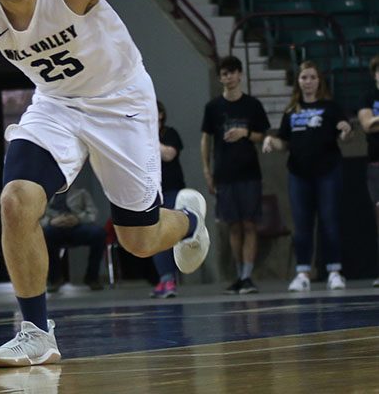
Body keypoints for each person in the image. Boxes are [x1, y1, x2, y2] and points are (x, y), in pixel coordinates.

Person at [0, 0, 317, 368]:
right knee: (15, 200)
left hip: (122, 102)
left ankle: (189, 222)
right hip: (57, 104)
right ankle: (36, 333)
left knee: (139, 241)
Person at [263, 61, 352, 291]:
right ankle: (303, 272)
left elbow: (344, 134)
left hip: (327, 173)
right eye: (304, 78)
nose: (308, 82)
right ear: (298, 81)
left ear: (318, 80)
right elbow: (284, 141)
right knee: (302, 225)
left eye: (312, 77)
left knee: (329, 221)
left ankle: (334, 271)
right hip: (299, 175)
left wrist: (345, 131)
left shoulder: (330, 108)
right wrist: (272, 141)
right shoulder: (292, 110)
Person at [201, 55, 271, 296]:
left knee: (250, 223)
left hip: (249, 172)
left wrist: (245, 133)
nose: (228, 77)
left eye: (232, 72)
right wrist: (207, 171)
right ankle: (239, 274)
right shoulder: (213, 107)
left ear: (240, 75)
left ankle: (247, 275)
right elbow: (205, 139)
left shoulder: (252, 105)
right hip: (225, 174)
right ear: (220, 77)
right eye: (224, 73)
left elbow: (264, 136)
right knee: (233, 226)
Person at [150, 101, 186, 299]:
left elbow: (169, 155)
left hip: (172, 190)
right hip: (151, 192)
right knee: (153, 235)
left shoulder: (170, 133)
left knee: (169, 233)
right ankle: (164, 277)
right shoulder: (139, 136)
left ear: (161, 114)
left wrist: (149, 137)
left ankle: (171, 278)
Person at [41, 186, 106, 293]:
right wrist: (52, 221)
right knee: (46, 234)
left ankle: (92, 277)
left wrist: (78, 218)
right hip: (55, 227)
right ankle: (54, 278)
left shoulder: (81, 192)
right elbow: (38, 217)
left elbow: (93, 213)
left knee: (99, 233)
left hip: (78, 226)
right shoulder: (45, 196)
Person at [357, 55, 379, 288]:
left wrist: (376, 121)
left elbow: (374, 123)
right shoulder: (368, 96)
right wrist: (373, 122)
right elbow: (367, 125)